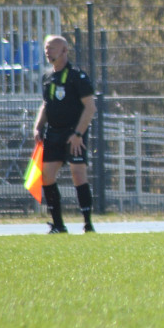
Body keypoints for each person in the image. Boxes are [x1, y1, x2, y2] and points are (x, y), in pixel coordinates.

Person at [32, 35, 97, 234]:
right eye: (46, 47)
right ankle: (58, 225)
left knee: (78, 174)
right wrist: (37, 126)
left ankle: (88, 223)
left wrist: (78, 133)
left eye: (52, 47)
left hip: (73, 133)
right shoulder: (47, 77)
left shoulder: (77, 76)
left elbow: (90, 107)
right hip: (53, 133)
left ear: (64, 51)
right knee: (47, 176)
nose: (47, 51)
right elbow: (46, 104)